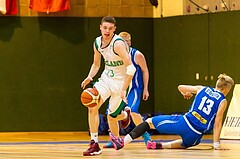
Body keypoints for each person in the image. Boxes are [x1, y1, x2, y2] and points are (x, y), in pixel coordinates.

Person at [110, 73, 234, 151]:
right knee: (187, 144)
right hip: (196, 135)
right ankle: (160, 146)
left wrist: (187, 93)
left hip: (184, 123)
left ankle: (123, 141)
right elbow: (217, 123)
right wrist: (216, 145)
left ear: (217, 84)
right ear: (227, 88)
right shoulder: (222, 101)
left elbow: (180, 87)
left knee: (148, 122)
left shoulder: (202, 89)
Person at [81, 16, 136, 156]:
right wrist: (90, 76)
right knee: (92, 106)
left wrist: (124, 89)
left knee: (112, 116)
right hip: (106, 79)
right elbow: (96, 64)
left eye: (110, 28)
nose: (107, 31)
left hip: (121, 82)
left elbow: (131, 69)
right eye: (105, 28)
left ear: (114, 29)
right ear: (100, 27)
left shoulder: (118, 44)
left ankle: (124, 114)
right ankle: (94, 143)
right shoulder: (97, 42)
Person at [104, 31, 151, 148]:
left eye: (127, 41)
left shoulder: (137, 55)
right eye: (122, 42)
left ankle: (147, 137)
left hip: (134, 88)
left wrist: (146, 88)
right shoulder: (114, 55)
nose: (124, 44)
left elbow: (145, 70)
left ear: (130, 42)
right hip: (120, 88)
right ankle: (116, 139)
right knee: (111, 114)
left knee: (134, 111)